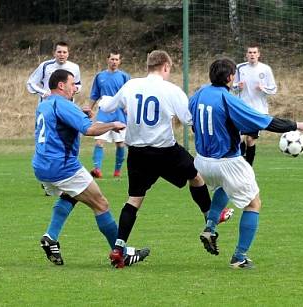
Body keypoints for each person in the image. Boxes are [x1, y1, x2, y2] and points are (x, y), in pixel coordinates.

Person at [99, 50, 233, 269]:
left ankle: (118, 248)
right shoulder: (171, 90)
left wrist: (102, 101)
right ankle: (210, 216)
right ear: (165, 67)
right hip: (165, 151)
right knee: (196, 177)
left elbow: (108, 106)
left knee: (134, 200)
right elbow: (189, 119)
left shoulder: (130, 86)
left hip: (137, 153)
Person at [190, 58, 303, 268]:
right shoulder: (227, 98)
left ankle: (210, 227)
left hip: (201, 163)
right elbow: (266, 121)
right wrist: (298, 125)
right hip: (227, 162)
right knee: (253, 204)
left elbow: (194, 125)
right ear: (230, 77)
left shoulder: (199, 94)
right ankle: (240, 257)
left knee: (225, 187)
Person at [34, 69, 148, 267]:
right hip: (63, 167)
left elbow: (61, 121)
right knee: (101, 204)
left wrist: (80, 113)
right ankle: (121, 253)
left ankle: (50, 236)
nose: (75, 88)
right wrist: (112, 124)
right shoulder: (63, 105)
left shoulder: (45, 104)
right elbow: (89, 130)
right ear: (61, 85)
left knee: (71, 195)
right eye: (72, 84)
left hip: (41, 165)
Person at [87, 51, 130, 179]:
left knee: (120, 144)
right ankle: (97, 169)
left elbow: (129, 94)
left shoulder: (124, 76)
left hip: (120, 113)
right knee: (99, 141)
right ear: (107, 60)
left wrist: (128, 106)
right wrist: (89, 109)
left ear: (120, 61)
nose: (114, 62)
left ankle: (117, 170)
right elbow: (94, 94)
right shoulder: (100, 76)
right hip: (104, 112)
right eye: (112, 59)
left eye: (117, 59)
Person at [232, 44, 277, 166]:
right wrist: (237, 86)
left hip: (258, 110)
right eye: (250, 52)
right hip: (241, 109)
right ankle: (240, 164)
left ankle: (249, 166)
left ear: (258, 54)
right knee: (239, 138)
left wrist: (263, 88)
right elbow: (232, 86)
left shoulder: (265, 69)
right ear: (246, 55)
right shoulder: (239, 68)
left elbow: (273, 89)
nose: (252, 55)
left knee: (250, 139)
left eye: (254, 52)